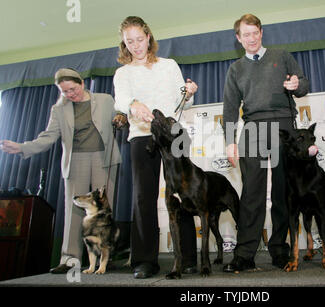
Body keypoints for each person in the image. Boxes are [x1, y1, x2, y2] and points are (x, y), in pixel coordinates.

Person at [0, 68, 121, 273]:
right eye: (65, 92)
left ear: (82, 83)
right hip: (75, 160)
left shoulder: (105, 99)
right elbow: (47, 137)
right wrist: (23, 147)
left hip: (104, 157)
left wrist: (120, 119)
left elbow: (119, 115)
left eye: (72, 89)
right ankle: (70, 259)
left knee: (104, 212)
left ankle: (104, 259)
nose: (70, 95)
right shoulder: (59, 109)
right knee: (73, 209)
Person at [113, 16, 199, 279]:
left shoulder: (169, 65)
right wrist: (133, 105)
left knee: (182, 194)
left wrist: (189, 92)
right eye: (130, 41)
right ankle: (144, 261)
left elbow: (181, 101)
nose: (136, 46)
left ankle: (187, 259)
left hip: (173, 134)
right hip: (141, 136)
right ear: (124, 44)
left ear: (148, 37)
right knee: (143, 198)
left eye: (140, 39)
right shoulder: (123, 73)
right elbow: (122, 101)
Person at [222, 14, 309, 272]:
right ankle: (245, 254)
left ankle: (280, 250)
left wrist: (296, 85)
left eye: (254, 33)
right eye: (245, 34)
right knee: (252, 194)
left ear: (261, 32)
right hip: (253, 128)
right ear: (238, 38)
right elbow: (229, 110)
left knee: (283, 191)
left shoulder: (282, 57)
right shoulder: (235, 68)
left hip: (284, 125)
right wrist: (229, 141)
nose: (251, 38)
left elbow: (303, 84)